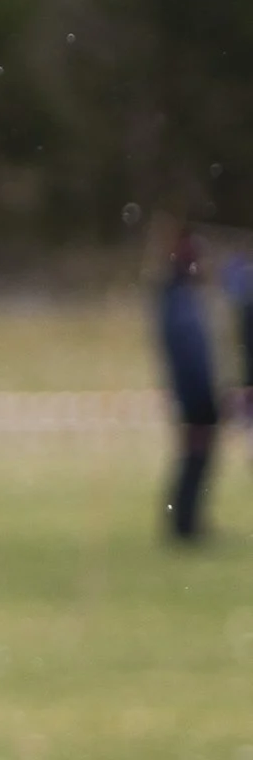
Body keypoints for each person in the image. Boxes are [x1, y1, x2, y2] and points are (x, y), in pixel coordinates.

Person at [157, 229, 222, 542]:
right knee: (194, 458)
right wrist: (202, 397)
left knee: (196, 458)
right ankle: (185, 524)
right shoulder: (178, 300)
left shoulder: (180, 297)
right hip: (194, 395)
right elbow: (190, 357)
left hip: (194, 394)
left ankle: (187, 521)